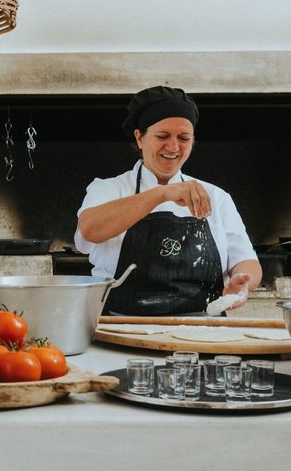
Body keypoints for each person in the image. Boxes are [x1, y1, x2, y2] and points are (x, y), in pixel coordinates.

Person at [74, 86, 262, 316]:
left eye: (184, 138)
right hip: (122, 324)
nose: (173, 147)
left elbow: (246, 260)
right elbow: (89, 230)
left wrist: (242, 281)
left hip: (204, 326)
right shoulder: (109, 189)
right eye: (162, 136)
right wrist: (161, 194)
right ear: (139, 138)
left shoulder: (216, 196)